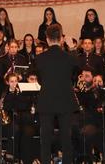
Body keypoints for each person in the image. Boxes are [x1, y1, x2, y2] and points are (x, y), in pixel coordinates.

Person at [36, 23, 78, 164]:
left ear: (47, 39)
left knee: (45, 140)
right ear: (61, 38)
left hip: (46, 100)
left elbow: (40, 79)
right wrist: (72, 48)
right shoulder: (69, 57)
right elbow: (77, 72)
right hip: (65, 100)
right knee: (66, 139)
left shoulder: (40, 58)